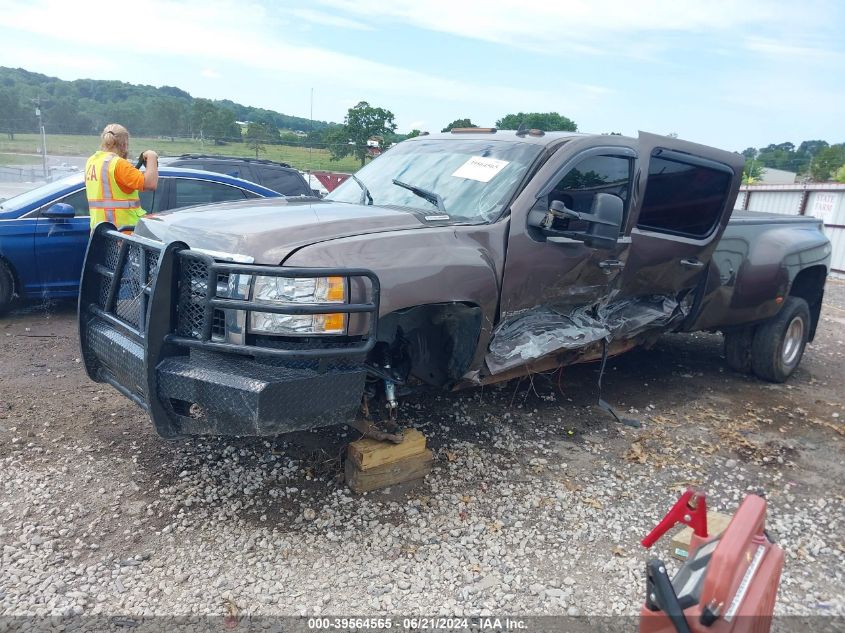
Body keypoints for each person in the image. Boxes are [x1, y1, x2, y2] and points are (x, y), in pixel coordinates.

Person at [84, 123, 158, 230]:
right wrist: (151, 156)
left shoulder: (92, 161)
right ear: (124, 144)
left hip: (100, 233)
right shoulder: (118, 164)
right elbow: (151, 184)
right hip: (123, 235)